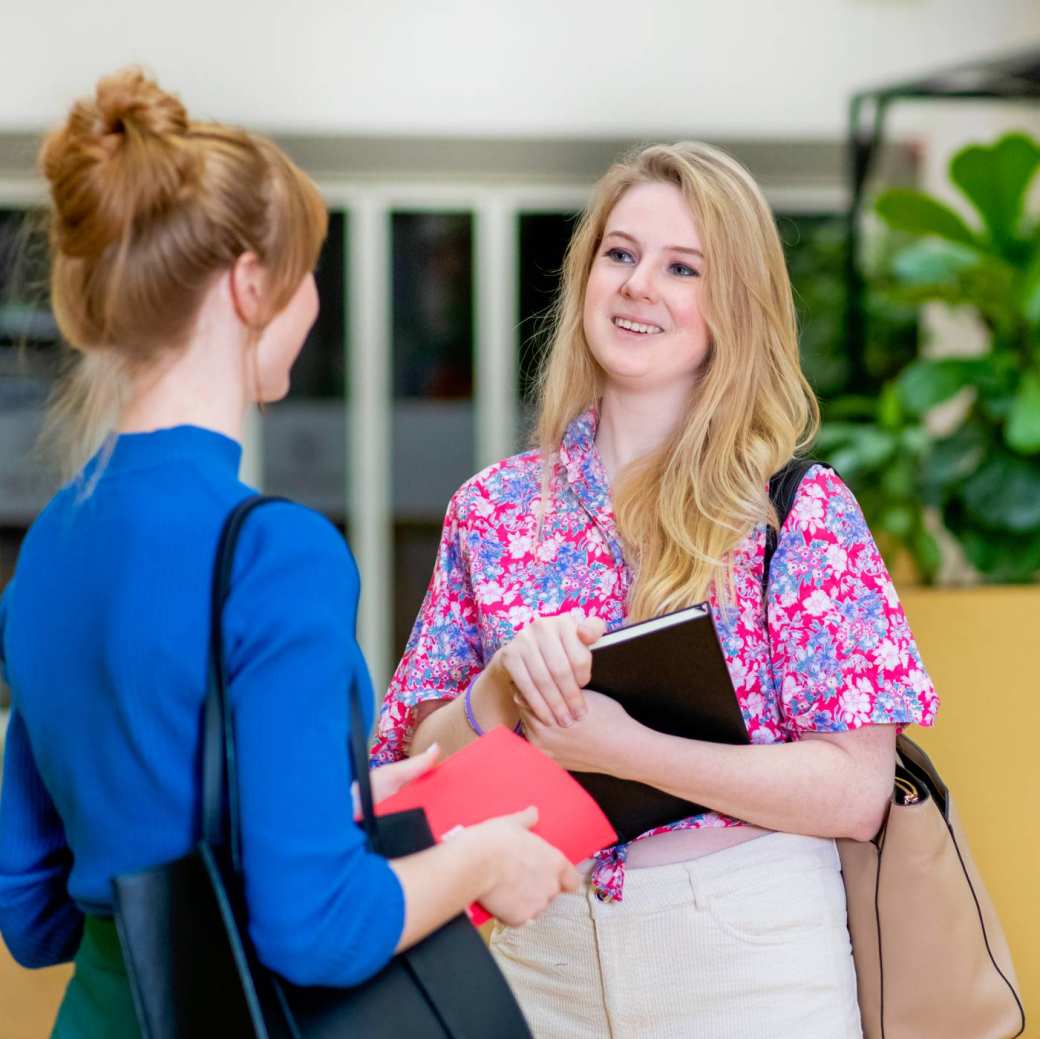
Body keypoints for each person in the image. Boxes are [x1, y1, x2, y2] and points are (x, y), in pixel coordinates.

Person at [0, 68, 578, 1039]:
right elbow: (314, 930)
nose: (312, 301)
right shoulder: (276, 553)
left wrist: (329, 797)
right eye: (309, 269)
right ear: (249, 284)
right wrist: (483, 862)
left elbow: (33, 908)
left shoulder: (49, 548)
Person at [373, 141, 939, 1038]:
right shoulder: (493, 509)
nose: (640, 285)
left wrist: (627, 749)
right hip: (536, 951)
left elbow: (853, 791)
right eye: (620, 253)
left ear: (733, 307)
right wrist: (497, 693)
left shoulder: (797, 512)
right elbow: (413, 756)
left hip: (746, 959)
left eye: (683, 267)